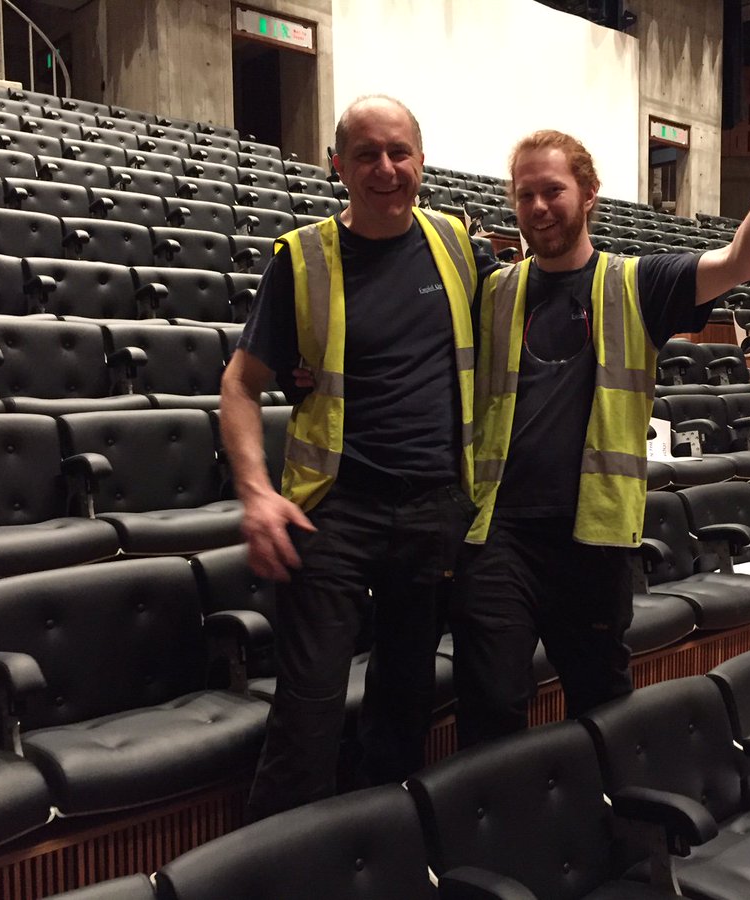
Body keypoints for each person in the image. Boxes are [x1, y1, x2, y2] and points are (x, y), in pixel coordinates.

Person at [451, 60, 750, 748]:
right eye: (525, 194)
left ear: (589, 194)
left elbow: (741, 262)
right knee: (490, 703)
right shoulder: (495, 290)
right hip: (502, 534)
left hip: (592, 539)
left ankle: (608, 818)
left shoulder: (637, 283)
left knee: (602, 705)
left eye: (553, 191)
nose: (538, 207)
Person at [219, 94, 498, 818]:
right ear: (337, 165)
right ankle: (281, 862)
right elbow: (240, 385)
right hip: (334, 512)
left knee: (405, 702)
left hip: (433, 508)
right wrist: (256, 493)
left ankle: (378, 850)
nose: (386, 169)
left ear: (422, 161)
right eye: (367, 154)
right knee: (309, 708)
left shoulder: (457, 246)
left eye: (399, 152)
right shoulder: (302, 257)